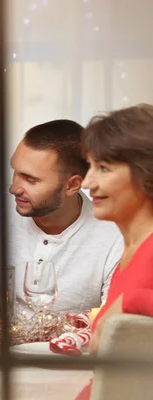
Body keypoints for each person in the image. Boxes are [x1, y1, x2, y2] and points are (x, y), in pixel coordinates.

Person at [0, 120, 123, 316]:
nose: (14, 188)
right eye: (15, 171)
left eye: (30, 180)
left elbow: (114, 327)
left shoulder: (114, 238)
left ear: (72, 185)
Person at [75, 104, 153, 399]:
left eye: (104, 168)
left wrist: (129, 301)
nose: (87, 183)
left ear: (147, 172)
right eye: (90, 166)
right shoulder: (131, 249)